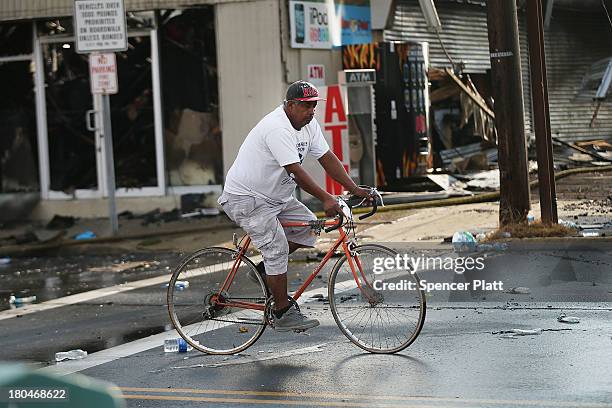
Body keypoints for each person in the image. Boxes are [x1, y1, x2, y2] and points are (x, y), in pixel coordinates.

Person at [218, 80, 372, 332]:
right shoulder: (276, 127)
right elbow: (295, 171)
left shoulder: (308, 125)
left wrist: (355, 189)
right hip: (247, 198)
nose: (311, 111)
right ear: (290, 105)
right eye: (305, 106)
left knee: (309, 229)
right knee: (277, 248)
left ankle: (265, 271)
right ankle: (281, 312)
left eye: (314, 105)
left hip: (277, 197)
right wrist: (326, 198)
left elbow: (327, 158)